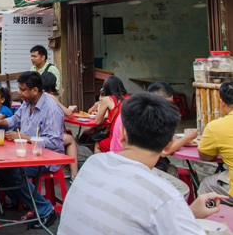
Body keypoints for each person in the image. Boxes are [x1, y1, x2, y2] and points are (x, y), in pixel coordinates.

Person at [58, 93, 227, 234]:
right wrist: (186, 215)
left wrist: (188, 213)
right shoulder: (165, 195)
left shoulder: (92, 163)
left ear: (122, 133)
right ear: (168, 144)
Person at [0, 71, 64, 229]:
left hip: (46, 157)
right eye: (20, 89)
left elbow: (53, 142)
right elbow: (15, 120)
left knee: (15, 172)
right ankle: (21, 199)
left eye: (23, 90)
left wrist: (25, 137)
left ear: (35, 90)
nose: (19, 93)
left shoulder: (51, 109)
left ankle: (46, 210)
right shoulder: (26, 104)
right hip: (25, 153)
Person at [113, 81, 193, 199]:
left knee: (172, 171)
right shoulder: (150, 117)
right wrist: (187, 138)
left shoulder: (132, 111)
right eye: (169, 103)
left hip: (119, 158)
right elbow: (164, 152)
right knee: (183, 189)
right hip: (135, 165)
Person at [198, 81, 233, 206]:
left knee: (206, 184)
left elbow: (205, 156)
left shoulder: (216, 126)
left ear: (222, 102)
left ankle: (209, 222)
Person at [41, 73, 79, 181]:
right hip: (47, 138)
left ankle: (63, 167)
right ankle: (74, 175)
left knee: (67, 134)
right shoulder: (50, 96)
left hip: (38, 135)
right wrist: (71, 108)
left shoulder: (39, 97)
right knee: (71, 139)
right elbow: (67, 112)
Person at [89, 75, 129, 153]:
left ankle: (100, 164)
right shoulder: (128, 98)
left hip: (116, 136)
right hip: (129, 136)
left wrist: (103, 117)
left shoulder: (108, 99)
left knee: (98, 145)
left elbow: (97, 122)